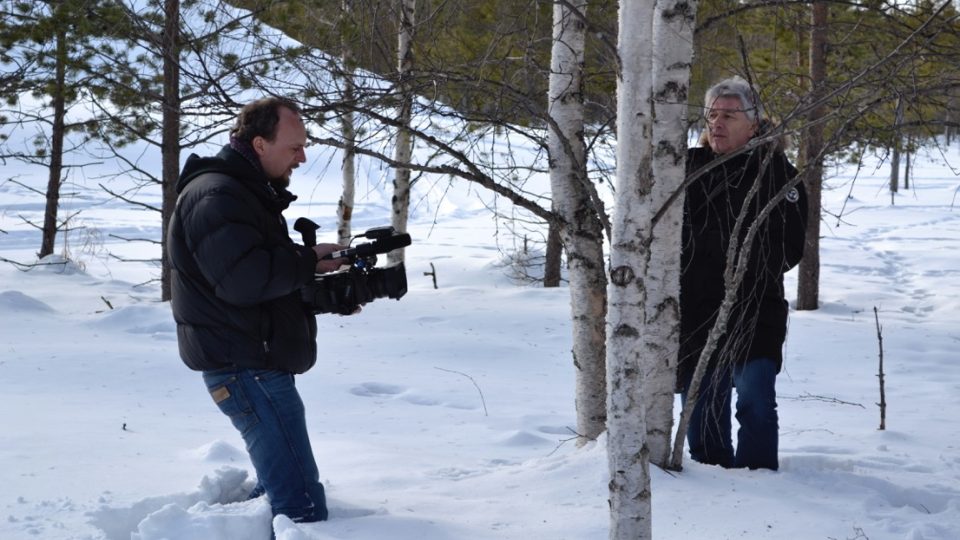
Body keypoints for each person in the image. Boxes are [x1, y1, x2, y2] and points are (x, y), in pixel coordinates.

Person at [168, 97, 346, 522]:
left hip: (253, 363)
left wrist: (320, 293)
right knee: (299, 508)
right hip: (245, 368)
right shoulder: (218, 196)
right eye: (295, 147)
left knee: (280, 498)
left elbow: (253, 281)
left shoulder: (244, 194)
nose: (303, 157)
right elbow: (242, 281)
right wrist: (305, 262)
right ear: (260, 143)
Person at [677, 77, 809, 471]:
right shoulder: (686, 167)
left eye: (729, 115)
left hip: (755, 308)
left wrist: (726, 261)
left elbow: (788, 248)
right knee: (702, 402)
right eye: (712, 115)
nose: (717, 123)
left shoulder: (778, 174)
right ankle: (713, 479)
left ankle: (759, 481)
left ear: (753, 125)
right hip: (696, 308)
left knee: (754, 398)